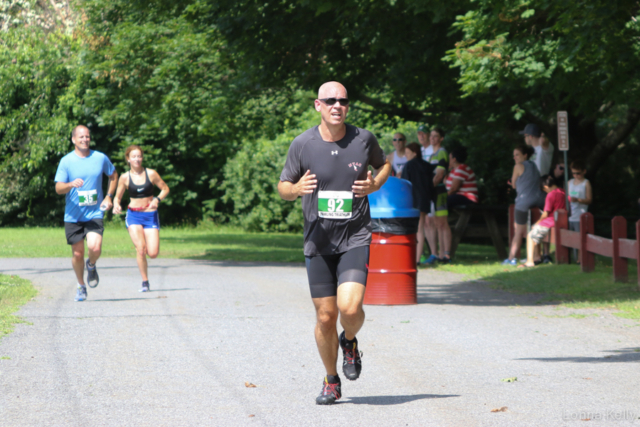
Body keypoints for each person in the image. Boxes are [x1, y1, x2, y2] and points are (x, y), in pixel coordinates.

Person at [278, 81, 390, 405]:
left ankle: (350, 342)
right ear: (318, 105)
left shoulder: (363, 139)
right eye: (330, 101)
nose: (337, 105)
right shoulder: (303, 144)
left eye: (343, 100)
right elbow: (283, 185)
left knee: (350, 307)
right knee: (326, 317)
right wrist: (296, 188)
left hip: (355, 235)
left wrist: (375, 184)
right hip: (318, 240)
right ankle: (331, 380)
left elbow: (384, 165)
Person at [54, 125, 118, 302]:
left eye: (87, 137)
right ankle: (81, 285)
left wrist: (109, 197)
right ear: (74, 139)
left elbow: (113, 175)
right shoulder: (66, 161)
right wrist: (70, 184)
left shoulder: (100, 158)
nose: (85, 139)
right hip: (73, 215)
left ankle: (91, 265)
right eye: (81, 137)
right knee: (77, 254)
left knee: (95, 248)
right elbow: (58, 188)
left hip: (94, 213)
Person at [113, 145, 170, 292]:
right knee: (140, 249)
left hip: (150, 215)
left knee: (153, 253)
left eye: (139, 156)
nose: (137, 159)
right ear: (128, 159)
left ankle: (145, 278)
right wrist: (116, 205)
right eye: (134, 157)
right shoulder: (125, 177)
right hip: (134, 216)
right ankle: (145, 282)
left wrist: (157, 199)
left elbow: (165, 189)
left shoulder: (151, 174)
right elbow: (117, 197)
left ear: (142, 158)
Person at [503, 144, 545, 266]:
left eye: (517, 154)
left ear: (525, 155)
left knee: (519, 231)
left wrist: (512, 183)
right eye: (514, 155)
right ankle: (537, 256)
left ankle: (511, 258)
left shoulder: (518, 166)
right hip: (539, 200)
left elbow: (514, 185)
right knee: (534, 229)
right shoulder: (534, 166)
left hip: (524, 202)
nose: (515, 157)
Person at [520, 175, 566, 267]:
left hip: (550, 221)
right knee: (536, 233)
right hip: (562, 221)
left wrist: (537, 223)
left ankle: (530, 261)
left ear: (545, 187)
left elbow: (546, 213)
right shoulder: (563, 192)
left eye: (544, 190)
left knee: (530, 236)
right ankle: (537, 257)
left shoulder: (551, 194)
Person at [402, 142, 435, 264]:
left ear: (414, 153)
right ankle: (417, 258)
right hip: (425, 200)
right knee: (421, 229)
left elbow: (405, 184)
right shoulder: (427, 166)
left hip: (413, 200)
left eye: (408, 153)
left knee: (414, 229)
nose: (406, 156)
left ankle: (413, 258)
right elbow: (431, 185)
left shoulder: (409, 165)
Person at [423, 127, 452, 264]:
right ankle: (437, 254)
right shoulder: (430, 155)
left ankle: (446, 254)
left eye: (435, 136)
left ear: (441, 138)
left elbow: (440, 175)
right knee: (433, 222)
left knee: (442, 223)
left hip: (439, 191)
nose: (432, 138)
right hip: (431, 192)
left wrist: (428, 188)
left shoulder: (442, 152)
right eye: (431, 136)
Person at [567, 160, 592, 263]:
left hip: (580, 215)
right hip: (570, 214)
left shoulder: (586, 183)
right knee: (570, 237)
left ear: (584, 171)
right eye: (573, 173)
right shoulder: (569, 182)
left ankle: (580, 259)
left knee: (580, 237)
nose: (576, 175)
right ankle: (571, 258)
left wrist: (578, 200)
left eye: (578, 173)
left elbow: (589, 200)